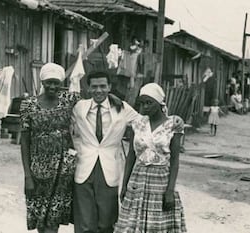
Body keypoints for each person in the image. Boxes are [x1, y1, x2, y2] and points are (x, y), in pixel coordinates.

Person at [71, 72, 184, 233]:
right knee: (84, 223)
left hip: (110, 168)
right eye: (94, 86)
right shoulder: (79, 107)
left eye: (103, 86)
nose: (98, 90)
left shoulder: (122, 108)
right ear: (88, 88)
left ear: (109, 87)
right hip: (83, 167)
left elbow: (148, 120)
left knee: (106, 221)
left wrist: (175, 119)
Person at [114, 83, 187, 233]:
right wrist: (124, 184)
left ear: (160, 104)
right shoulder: (137, 124)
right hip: (138, 179)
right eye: (142, 103)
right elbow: (131, 156)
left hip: (160, 180)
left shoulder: (173, 125)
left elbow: (174, 161)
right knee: (132, 223)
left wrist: (170, 191)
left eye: (149, 103)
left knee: (157, 224)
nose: (145, 107)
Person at [20, 63, 80, 233]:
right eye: (49, 82)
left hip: (64, 168)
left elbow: (95, 99)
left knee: (54, 218)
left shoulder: (70, 100)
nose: (52, 86)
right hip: (38, 168)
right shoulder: (28, 105)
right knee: (41, 218)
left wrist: (113, 98)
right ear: (42, 82)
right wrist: (27, 176)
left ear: (61, 83)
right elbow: (24, 141)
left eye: (56, 82)